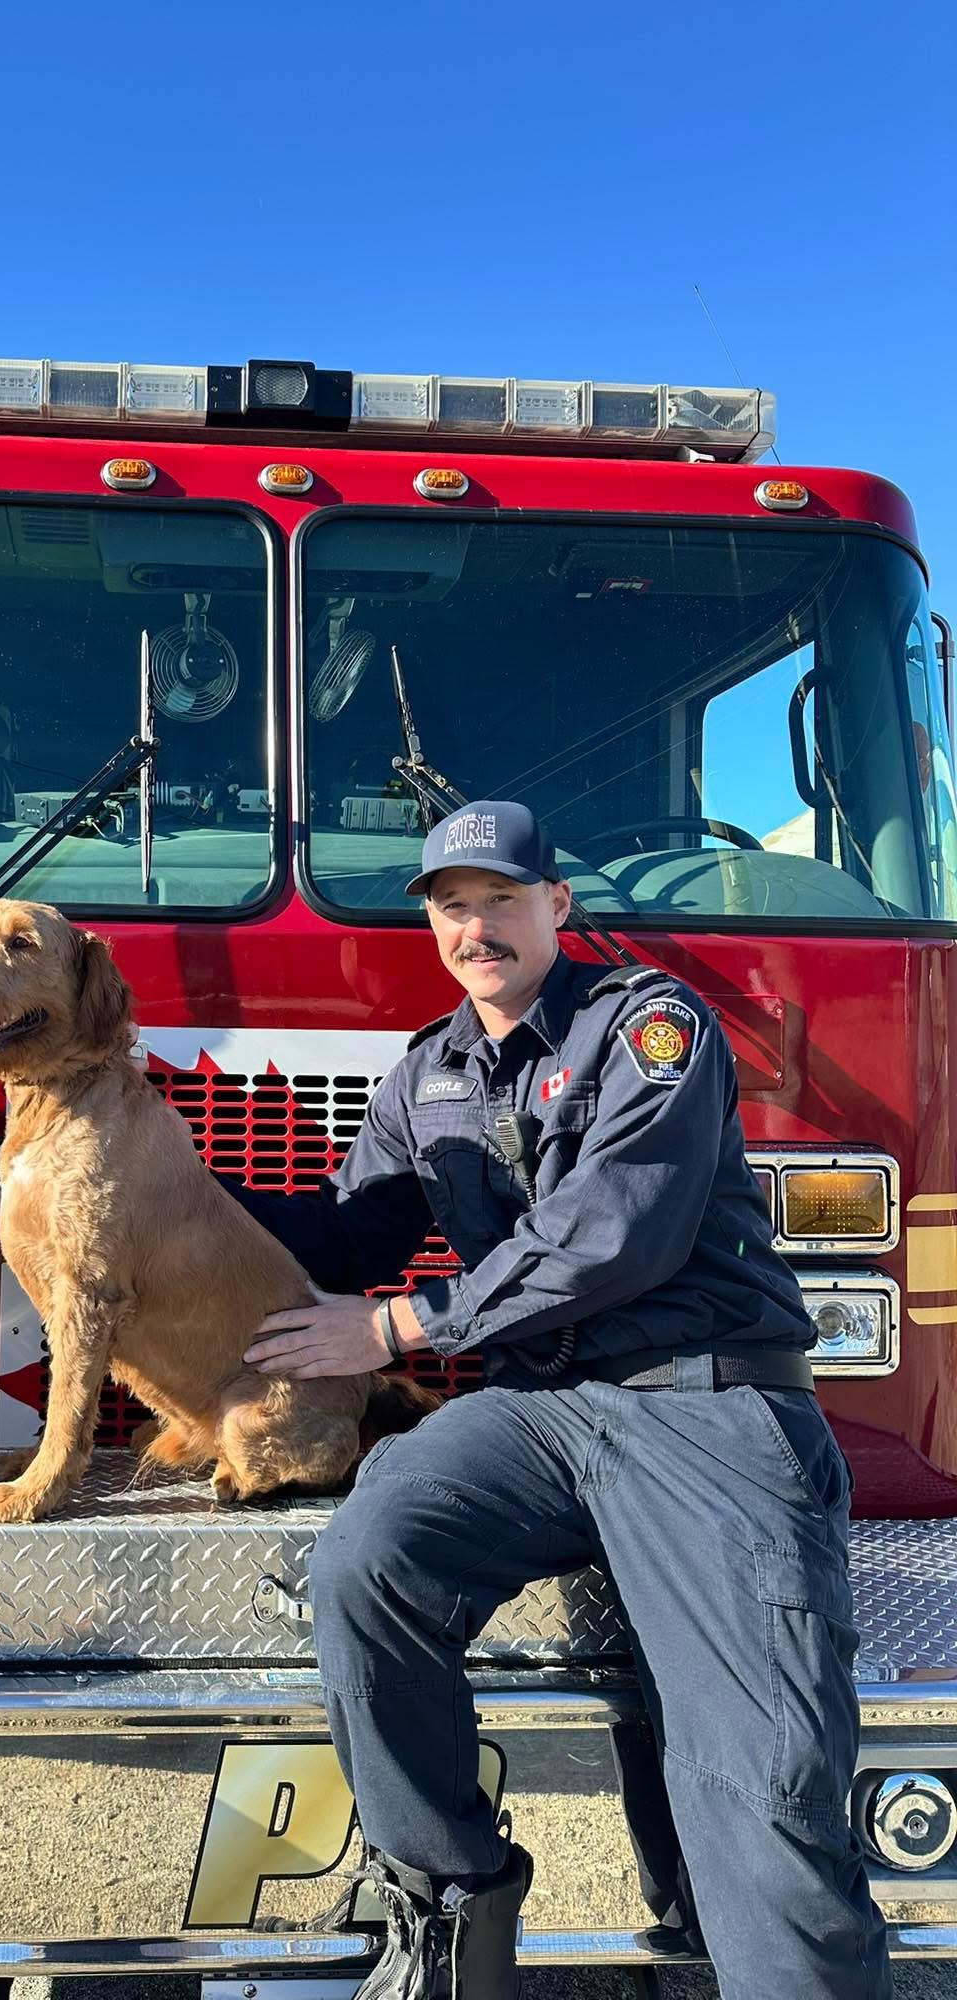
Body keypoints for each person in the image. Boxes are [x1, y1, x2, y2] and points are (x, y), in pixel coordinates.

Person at [239, 800, 889, 2000]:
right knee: (364, 1562)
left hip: (703, 1403)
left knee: (758, 1766)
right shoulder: (425, 1073)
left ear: (556, 906)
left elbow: (611, 1237)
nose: (474, 926)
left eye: (499, 899)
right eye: (450, 904)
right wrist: (148, 1173)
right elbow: (346, 1228)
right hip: (537, 1416)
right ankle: (454, 1904)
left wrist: (395, 1327)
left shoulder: (648, 1024)